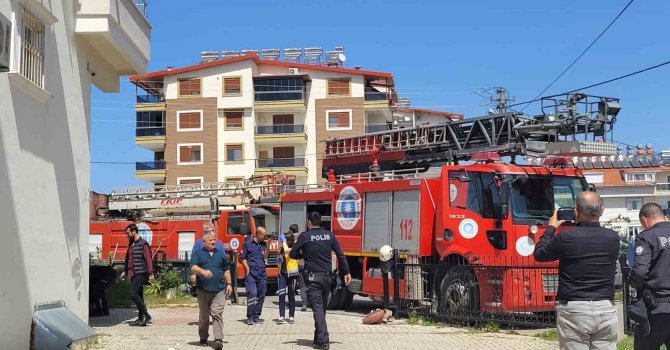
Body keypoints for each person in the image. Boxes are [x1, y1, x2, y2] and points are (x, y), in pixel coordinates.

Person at [534, 192, 619, 350]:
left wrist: (551, 227)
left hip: (575, 308)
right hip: (605, 307)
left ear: (576, 212)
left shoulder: (566, 237)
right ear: (602, 211)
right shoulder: (613, 237)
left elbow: (539, 254)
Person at [290, 212, 351, 350]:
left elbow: (293, 253)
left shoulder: (305, 236)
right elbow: (340, 255)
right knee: (321, 309)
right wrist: (346, 272)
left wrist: (304, 254)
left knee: (317, 308)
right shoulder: (329, 235)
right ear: (320, 222)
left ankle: (323, 340)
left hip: (314, 279)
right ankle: (318, 338)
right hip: (327, 278)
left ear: (309, 222)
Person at [630, 203, 670, 350]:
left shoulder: (647, 237)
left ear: (644, 220)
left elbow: (640, 272)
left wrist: (634, 283)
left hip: (656, 306)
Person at [190, 231, 233, 350]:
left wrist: (229, 284)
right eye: (211, 240)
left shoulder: (220, 254)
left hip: (219, 290)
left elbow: (226, 270)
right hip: (203, 290)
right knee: (204, 315)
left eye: (214, 240)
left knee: (217, 313)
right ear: (204, 242)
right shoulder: (198, 253)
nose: (214, 242)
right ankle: (203, 337)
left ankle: (218, 339)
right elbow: (193, 267)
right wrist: (202, 271)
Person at [123, 224, 155, 327]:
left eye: (128, 233)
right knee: (139, 295)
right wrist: (126, 271)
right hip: (133, 273)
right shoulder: (132, 244)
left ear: (134, 232)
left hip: (141, 273)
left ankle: (146, 314)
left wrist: (150, 273)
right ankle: (141, 318)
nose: (127, 235)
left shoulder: (143, 244)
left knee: (132, 293)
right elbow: (128, 259)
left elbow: (148, 259)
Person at [240, 226, 268, 325]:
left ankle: (257, 316)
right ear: (258, 234)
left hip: (261, 273)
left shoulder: (264, 244)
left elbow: (265, 257)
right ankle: (250, 317)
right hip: (251, 274)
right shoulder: (247, 244)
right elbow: (242, 258)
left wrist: (267, 246)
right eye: (264, 235)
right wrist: (247, 268)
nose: (265, 237)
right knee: (252, 293)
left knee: (262, 294)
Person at [190, 222, 225, 296]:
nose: (211, 233)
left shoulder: (219, 243)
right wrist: (193, 274)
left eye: (212, 230)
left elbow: (224, 262)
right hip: (203, 280)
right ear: (204, 233)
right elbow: (193, 262)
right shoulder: (198, 243)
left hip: (217, 280)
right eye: (209, 231)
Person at [277, 230, 300, 324]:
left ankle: (291, 316)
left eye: (284, 240)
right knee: (281, 295)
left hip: (292, 275)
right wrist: (278, 270)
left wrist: (283, 241)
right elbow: (279, 260)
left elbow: (287, 251)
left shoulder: (294, 248)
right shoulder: (282, 249)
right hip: (282, 274)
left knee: (291, 295)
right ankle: (281, 316)